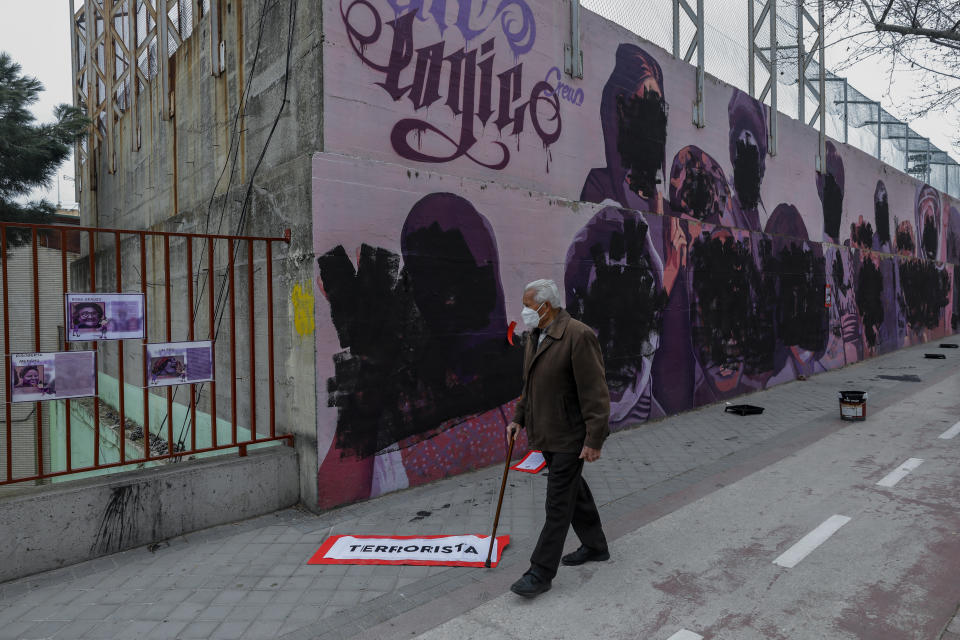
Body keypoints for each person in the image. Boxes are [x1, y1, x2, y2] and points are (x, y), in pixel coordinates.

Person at [506, 279, 611, 598]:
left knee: (557, 505)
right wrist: (518, 418)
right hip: (546, 433)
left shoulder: (577, 335)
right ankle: (595, 546)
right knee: (574, 492)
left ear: (545, 306)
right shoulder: (536, 335)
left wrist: (595, 438)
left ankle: (540, 571)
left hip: (569, 436)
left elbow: (596, 392)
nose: (524, 311)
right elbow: (530, 385)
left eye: (527, 305)